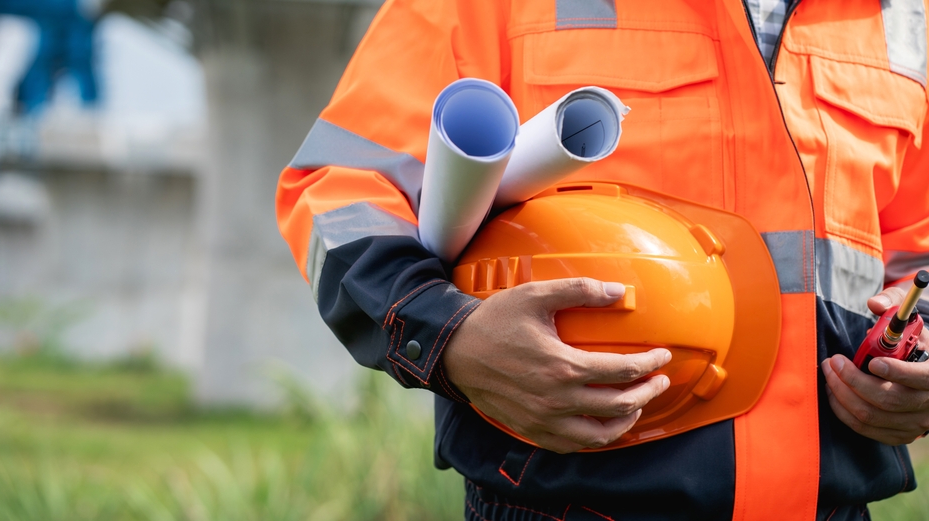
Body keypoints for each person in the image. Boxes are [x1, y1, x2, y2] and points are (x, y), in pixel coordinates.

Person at [275, 1, 929, 519]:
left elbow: (913, 247)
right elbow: (343, 188)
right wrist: (450, 336)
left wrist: (918, 353)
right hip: (563, 504)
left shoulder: (905, 15)